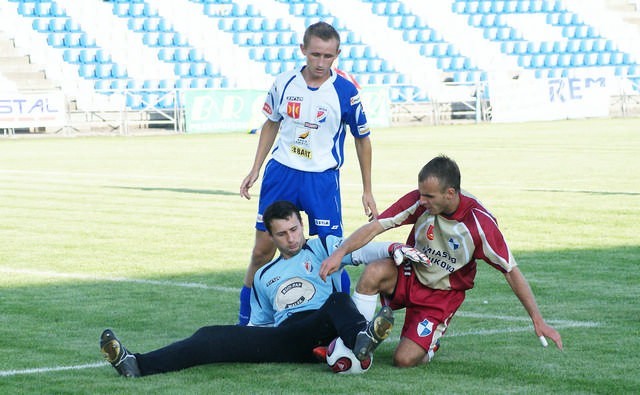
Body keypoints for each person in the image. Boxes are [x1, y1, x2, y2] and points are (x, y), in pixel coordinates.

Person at [100, 201, 429, 377]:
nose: (292, 238)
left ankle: (362, 339)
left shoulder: (324, 247)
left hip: (326, 326)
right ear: (271, 238)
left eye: (295, 229)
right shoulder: (262, 275)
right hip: (286, 338)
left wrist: (391, 249)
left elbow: (362, 250)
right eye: (283, 234)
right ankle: (136, 364)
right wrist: (241, 341)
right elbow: (259, 325)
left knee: (339, 299)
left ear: (302, 225)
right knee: (207, 336)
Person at [320, 155, 564, 367]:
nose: (422, 200)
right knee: (374, 272)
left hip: (440, 297)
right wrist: (339, 254)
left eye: (429, 196)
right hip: (411, 274)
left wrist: (537, 320)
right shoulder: (420, 201)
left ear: (450, 193)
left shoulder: (479, 224)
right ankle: (358, 340)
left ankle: (429, 347)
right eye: (421, 193)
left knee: (404, 360)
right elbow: (375, 227)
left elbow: (511, 271)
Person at [237, 21, 378, 325]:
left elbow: (362, 139)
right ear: (303, 50)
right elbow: (271, 122)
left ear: (337, 54)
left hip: (321, 180)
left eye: (328, 56)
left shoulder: (345, 91)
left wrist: (367, 189)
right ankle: (245, 316)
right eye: (315, 55)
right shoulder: (284, 83)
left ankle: (348, 323)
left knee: (334, 254)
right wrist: (256, 168)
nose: (320, 62)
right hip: (282, 174)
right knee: (262, 251)